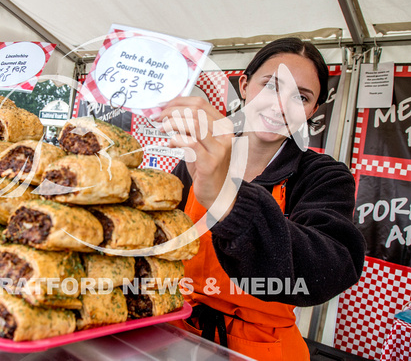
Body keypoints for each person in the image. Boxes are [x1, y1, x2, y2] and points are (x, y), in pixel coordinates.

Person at [155, 37, 365, 360]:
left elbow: (330, 264)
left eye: (301, 97)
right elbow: (159, 231)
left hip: (264, 351)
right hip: (176, 336)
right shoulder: (201, 156)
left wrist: (230, 198)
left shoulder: (324, 177)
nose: (281, 105)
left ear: (313, 110)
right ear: (244, 84)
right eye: (271, 86)